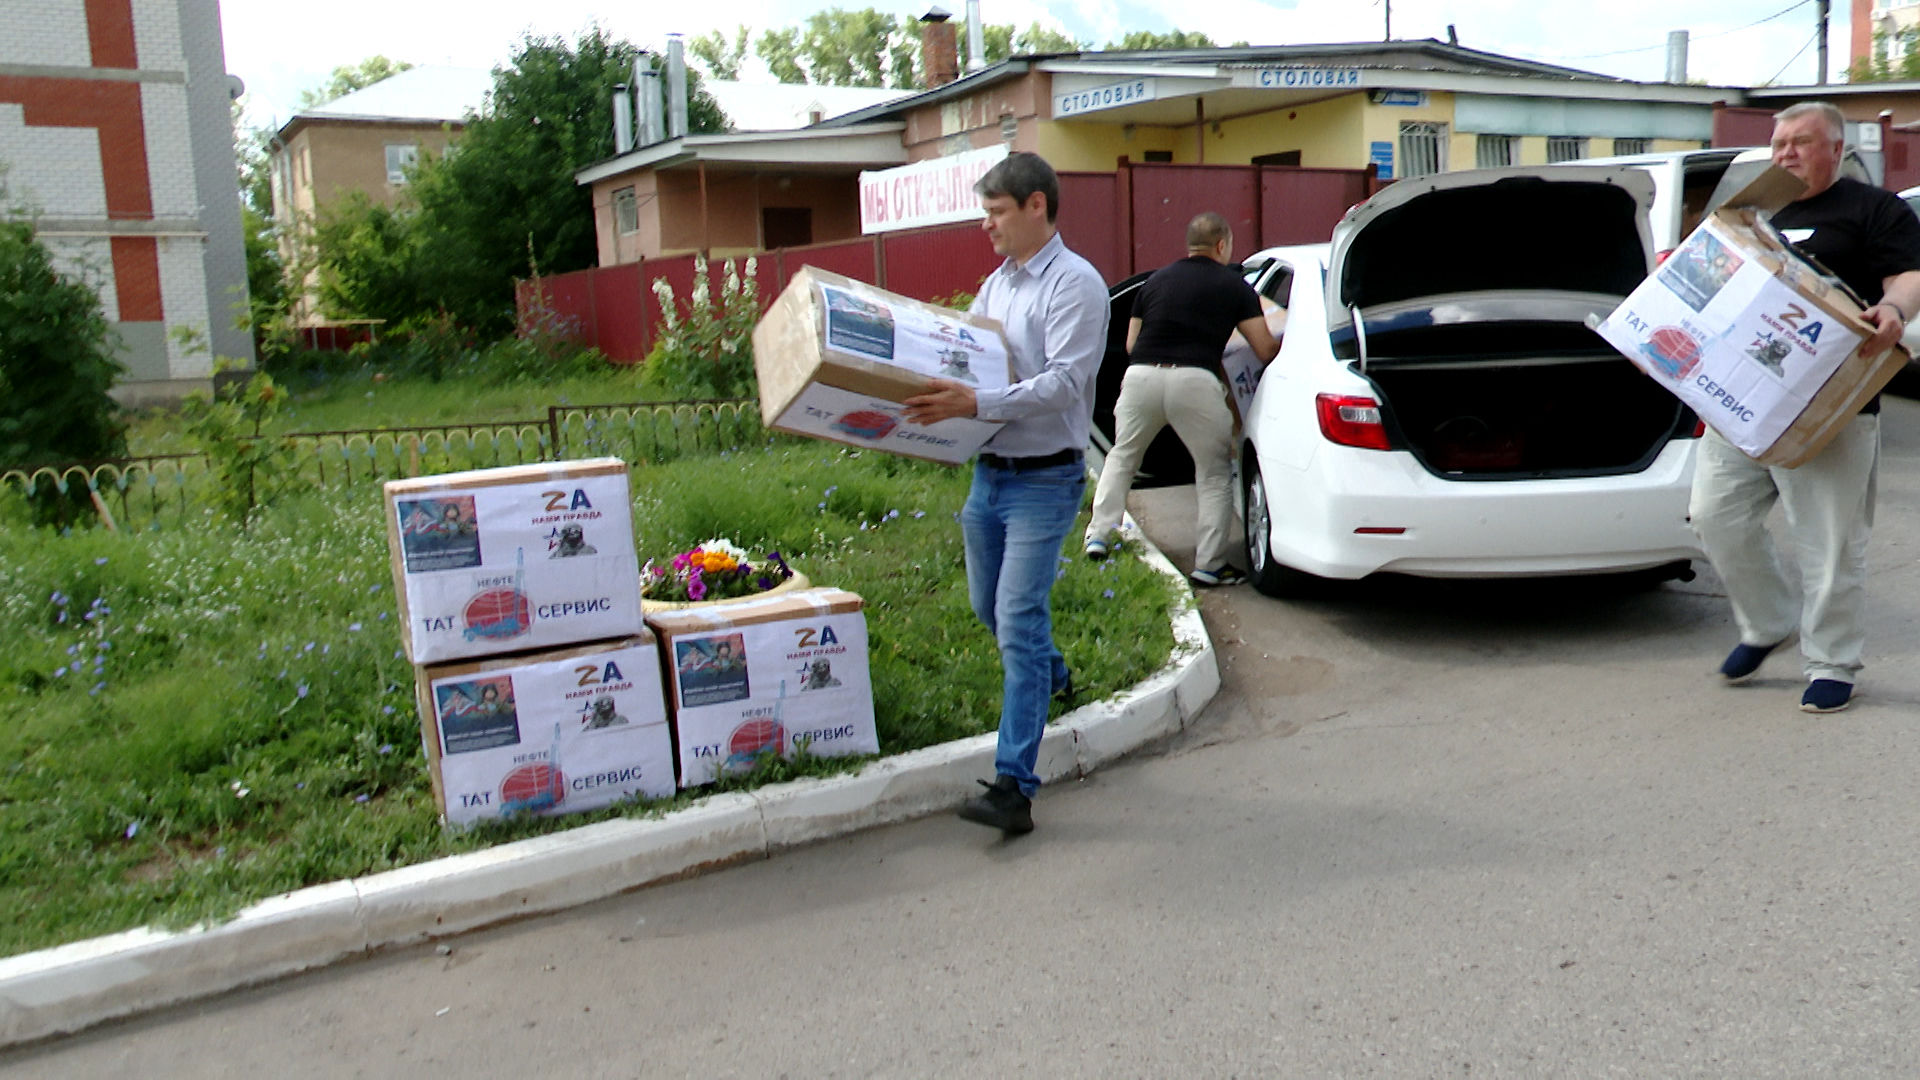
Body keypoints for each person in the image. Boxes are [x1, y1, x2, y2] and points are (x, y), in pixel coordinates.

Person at [902, 151, 1110, 836]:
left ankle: (1014, 786)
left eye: (995, 213)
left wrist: (974, 404)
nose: (986, 226)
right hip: (989, 477)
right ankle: (1053, 675)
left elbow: (1064, 384)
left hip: (1045, 481)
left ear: (1035, 207)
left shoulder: (1074, 286)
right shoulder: (997, 285)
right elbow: (963, 347)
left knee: (1017, 619)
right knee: (989, 608)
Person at [1692, 101, 1920, 714]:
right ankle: (1768, 623)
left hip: (1832, 406)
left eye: (1800, 142)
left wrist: (1894, 311)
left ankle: (1831, 662)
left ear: (1836, 148)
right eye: (1779, 143)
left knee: (1830, 541)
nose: (1785, 153)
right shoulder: (1754, 213)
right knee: (1714, 517)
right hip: (1740, 397)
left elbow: (1909, 276)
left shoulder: (1875, 210)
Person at [1084, 212, 1280, 587]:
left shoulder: (1155, 282)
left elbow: (1129, 345)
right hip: (1196, 381)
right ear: (1222, 245)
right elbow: (1265, 348)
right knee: (1213, 473)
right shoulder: (1235, 287)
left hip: (1141, 376)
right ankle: (1210, 564)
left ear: (1191, 245)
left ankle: (1098, 535)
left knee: (1122, 456)